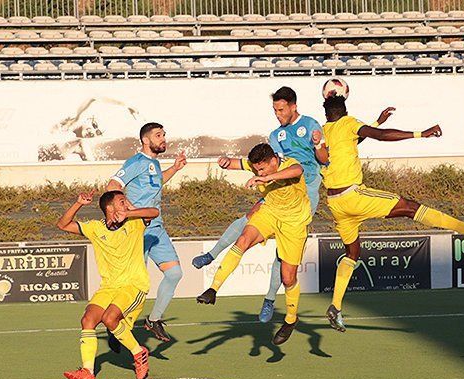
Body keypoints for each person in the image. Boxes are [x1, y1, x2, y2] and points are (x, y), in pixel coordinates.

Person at [191, 86, 394, 323]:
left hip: (305, 190)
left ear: (293, 106)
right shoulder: (276, 135)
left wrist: (318, 145)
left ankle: (269, 299)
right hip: (279, 186)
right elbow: (268, 162)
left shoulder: (310, 125)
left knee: (282, 256)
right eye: (274, 110)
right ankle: (213, 256)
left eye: (281, 109)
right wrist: (233, 163)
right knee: (248, 219)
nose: (277, 114)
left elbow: (327, 157)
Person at [317, 94, 464, 332]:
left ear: (326, 113)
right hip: (354, 196)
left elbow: (344, 147)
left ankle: (335, 307)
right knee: (410, 207)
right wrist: (420, 134)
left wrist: (376, 123)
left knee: (352, 252)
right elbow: (379, 137)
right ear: (345, 110)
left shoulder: (321, 132)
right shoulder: (349, 123)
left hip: (334, 203)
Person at [196, 145, 311, 345]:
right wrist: (224, 161)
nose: (259, 173)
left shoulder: (290, 165)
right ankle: (213, 289)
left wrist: (266, 178)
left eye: (263, 169)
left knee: (288, 277)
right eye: (257, 170)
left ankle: (291, 320)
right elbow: (235, 163)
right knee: (243, 240)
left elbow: (298, 171)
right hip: (270, 213)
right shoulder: (257, 166)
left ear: (274, 160)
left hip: (294, 223)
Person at [56, 190, 159, 379]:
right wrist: (78, 203)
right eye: (122, 202)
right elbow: (62, 225)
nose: (126, 204)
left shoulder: (135, 223)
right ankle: (88, 372)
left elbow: (154, 212)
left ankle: (138, 353)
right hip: (109, 287)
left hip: (133, 285)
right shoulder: (95, 228)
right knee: (87, 320)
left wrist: (128, 213)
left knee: (110, 319)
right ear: (109, 207)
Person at [105, 122, 186, 343]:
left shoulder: (154, 164)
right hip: (137, 230)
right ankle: (117, 325)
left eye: (164, 135)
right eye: (158, 135)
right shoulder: (136, 162)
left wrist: (175, 168)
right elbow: (112, 185)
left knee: (174, 274)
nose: (163, 138)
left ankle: (153, 320)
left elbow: (156, 182)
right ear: (145, 140)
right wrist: (131, 209)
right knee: (136, 284)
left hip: (156, 228)